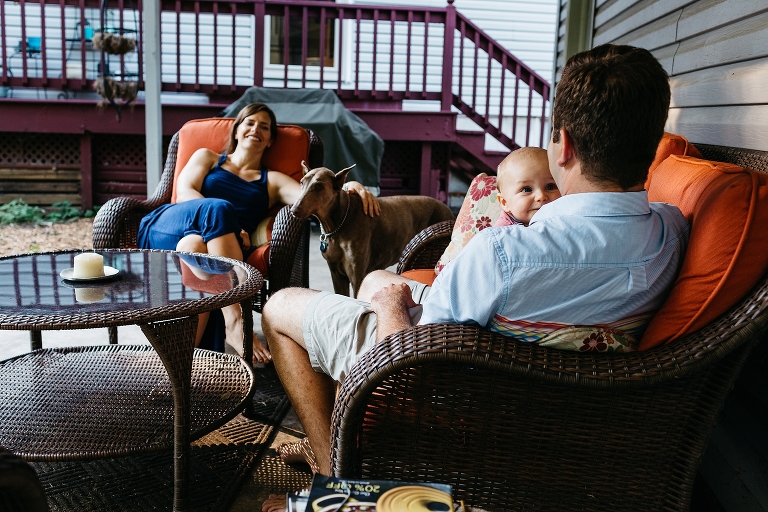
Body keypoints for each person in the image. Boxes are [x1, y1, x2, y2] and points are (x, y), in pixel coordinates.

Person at [260, 43, 690, 503]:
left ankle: (336, 480)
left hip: (464, 398)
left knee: (281, 306)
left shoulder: (502, 253)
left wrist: (389, 306)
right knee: (372, 281)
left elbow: (403, 370)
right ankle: (337, 430)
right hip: (570, 402)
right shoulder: (672, 230)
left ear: (563, 146)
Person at [136, 102, 380, 364]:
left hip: (212, 244)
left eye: (264, 127)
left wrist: (350, 184)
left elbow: (317, 194)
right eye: (249, 123)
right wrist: (228, 223)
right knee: (217, 210)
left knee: (194, 247)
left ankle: (180, 364)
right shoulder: (207, 157)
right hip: (169, 225)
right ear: (237, 131)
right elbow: (184, 193)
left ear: (270, 140)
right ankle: (236, 319)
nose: (256, 129)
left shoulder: (272, 180)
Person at [493, 147, 560, 227]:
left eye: (550, 187)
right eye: (526, 189)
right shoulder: (503, 232)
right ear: (505, 203)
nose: (541, 196)